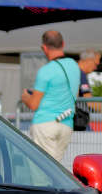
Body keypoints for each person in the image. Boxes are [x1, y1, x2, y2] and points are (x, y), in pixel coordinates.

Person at [20, 29, 79, 161]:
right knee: (55, 170)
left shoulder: (45, 71)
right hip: (66, 124)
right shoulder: (74, 66)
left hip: (45, 124)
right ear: (63, 44)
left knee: (41, 170)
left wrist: (25, 97)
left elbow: (34, 104)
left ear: (44, 47)